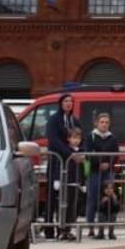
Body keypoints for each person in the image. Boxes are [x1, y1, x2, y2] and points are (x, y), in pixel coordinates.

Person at [42, 94, 81, 234]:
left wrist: (80, 152)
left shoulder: (74, 121)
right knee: (53, 195)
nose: (69, 103)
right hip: (57, 163)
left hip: (70, 166)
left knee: (69, 196)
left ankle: (64, 228)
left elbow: (80, 137)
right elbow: (54, 140)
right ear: (60, 103)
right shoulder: (54, 120)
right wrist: (70, 153)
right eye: (66, 101)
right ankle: (48, 227)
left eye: (71, 101)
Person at [83, 112, 121, 240]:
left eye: (106, 122)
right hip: (94, 172)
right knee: (92, 199)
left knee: (110, 199)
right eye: (102, 122)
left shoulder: (113, 138)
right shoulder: (90, 136)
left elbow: (116, 155)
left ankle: (109, 230)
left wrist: (108, 164)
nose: (104, 124)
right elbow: (88, 153)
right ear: (97, 123)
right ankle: (92, 228)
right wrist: (97, 163)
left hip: (108, 172)